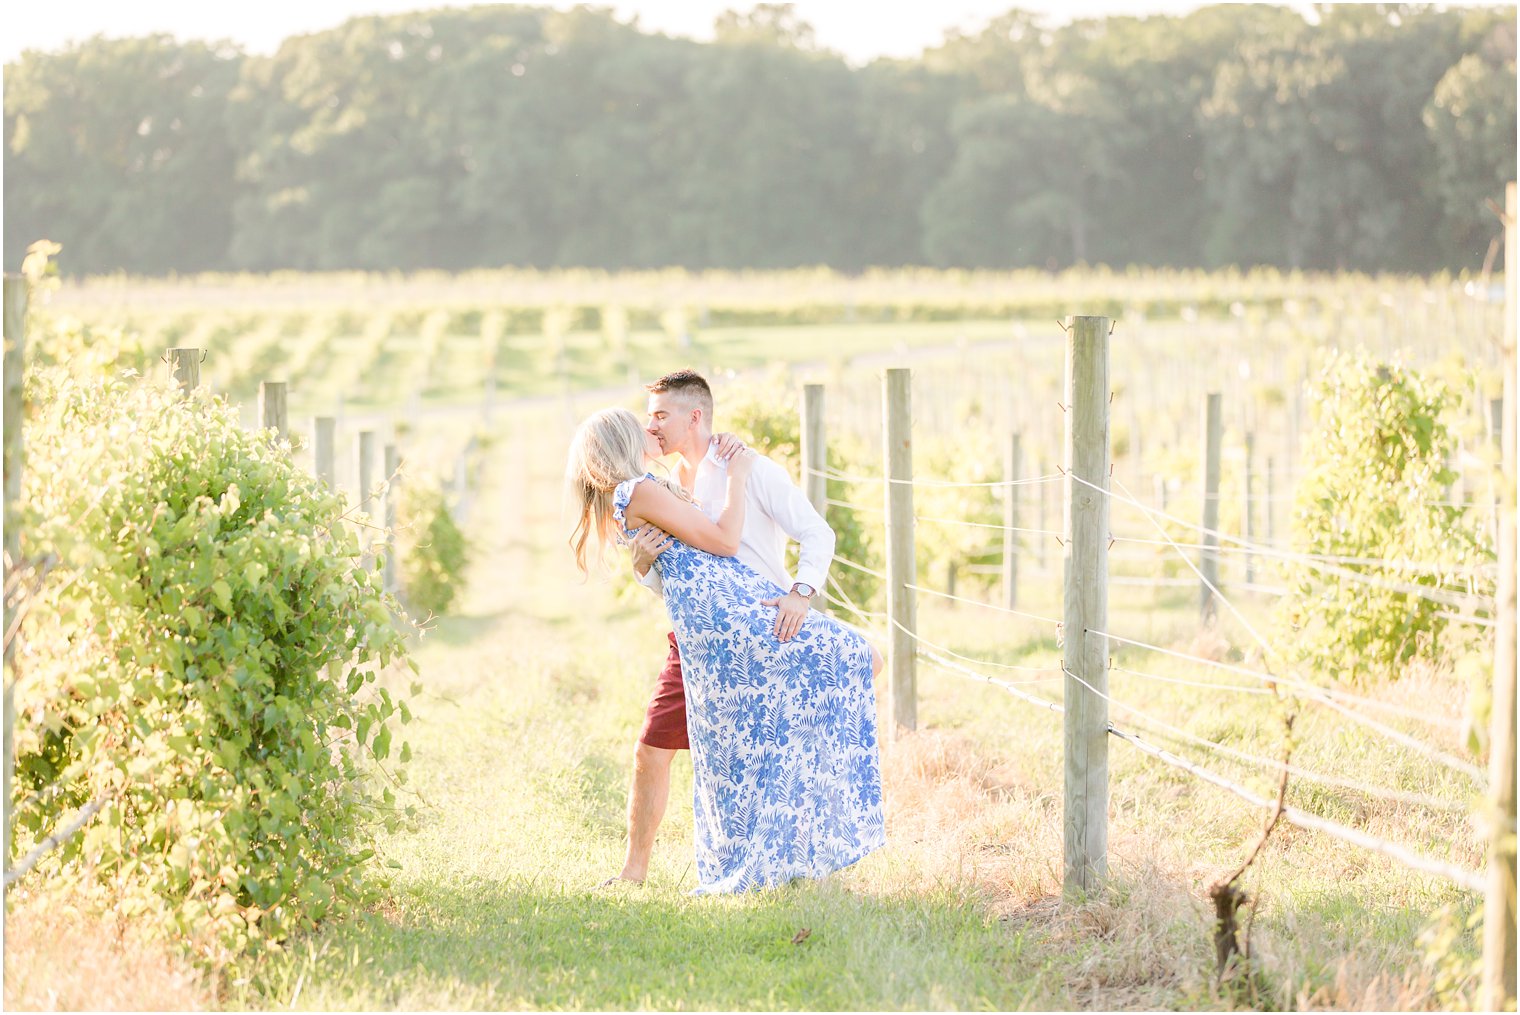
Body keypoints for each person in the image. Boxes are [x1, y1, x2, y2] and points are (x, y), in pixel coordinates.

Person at [567, 400, 885, 896]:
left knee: (769, 724)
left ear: (693, 416)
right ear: (623, 443)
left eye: (658, 417)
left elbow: (682, 559)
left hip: (723, 617)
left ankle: (787, 841)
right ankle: (774, 842)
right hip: (723, 621)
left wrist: (647, 562)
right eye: (641, 423)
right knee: (853, 658)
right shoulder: (645, 489)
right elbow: (723, 541)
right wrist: (737, 476)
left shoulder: (649, 489)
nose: (650, 427)